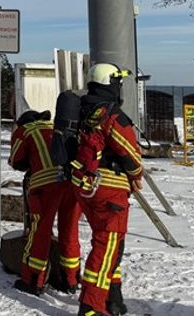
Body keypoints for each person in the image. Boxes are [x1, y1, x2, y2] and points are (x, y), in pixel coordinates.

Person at [71, 63, 143, 316]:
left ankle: (113, 298)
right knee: (106, 246)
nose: (120, 86)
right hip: (109, 190)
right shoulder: (112, 114)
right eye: (118, 82)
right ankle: (91, 306)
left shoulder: (81, 110)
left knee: (112, 244)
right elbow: (129, 152)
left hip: (87, 186)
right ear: (111, 83)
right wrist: (136, 175)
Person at [9, 109, 83, 296]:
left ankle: (34, 280)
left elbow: (15, 160)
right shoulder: (55, 127)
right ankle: (71, 279)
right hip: (72, 184)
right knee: (70, 230)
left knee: (40, 231)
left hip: (45, 187)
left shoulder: (25, 131)